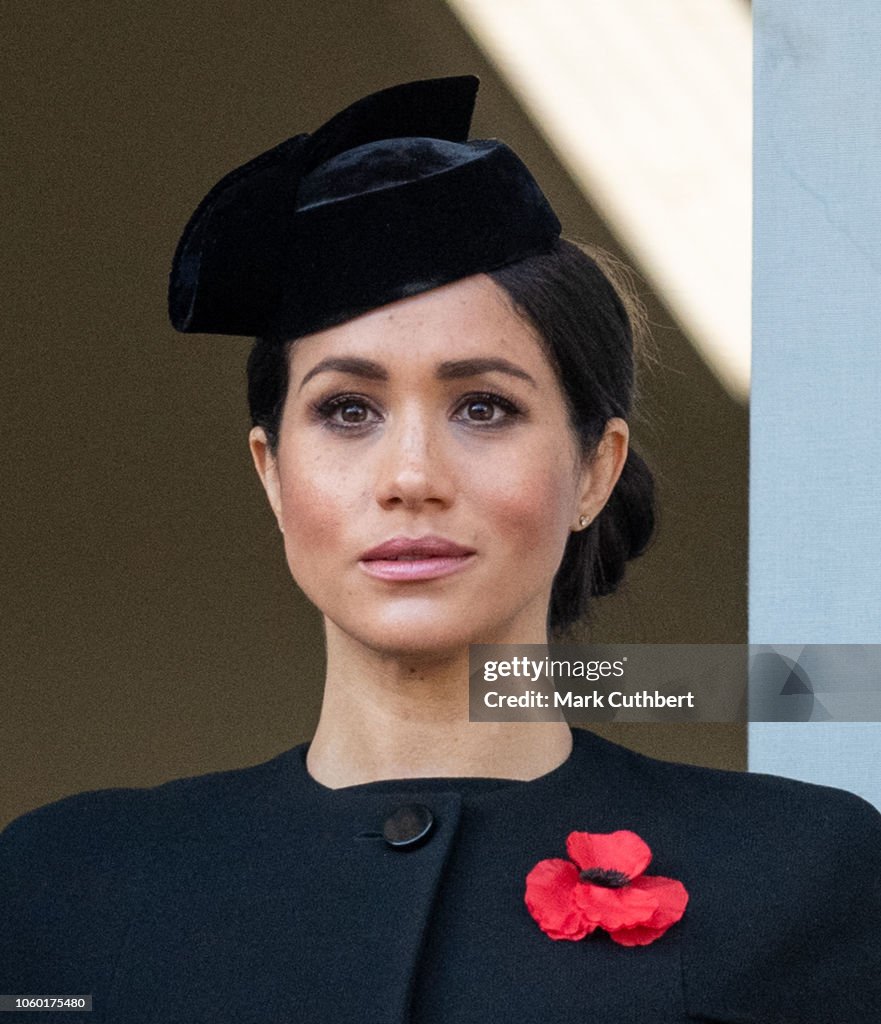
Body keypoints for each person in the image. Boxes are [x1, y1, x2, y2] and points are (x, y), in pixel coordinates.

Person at [1, 76, 879, 1024]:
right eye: (346, 411)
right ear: (271, 473)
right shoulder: (64, 886)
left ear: (594, 470)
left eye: (484, 408)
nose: (409, 474)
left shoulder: (805, 876)